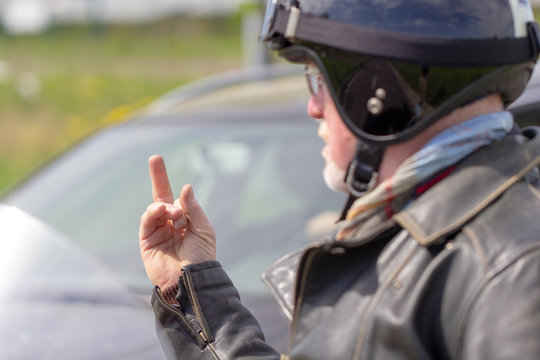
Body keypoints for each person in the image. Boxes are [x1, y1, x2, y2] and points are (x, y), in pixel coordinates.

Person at [139, 0, 540, 358]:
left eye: (318, 77)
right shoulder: (414, 229)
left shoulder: (515, 271)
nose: (313, 107)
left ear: (378, 92)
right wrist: (191, 286)